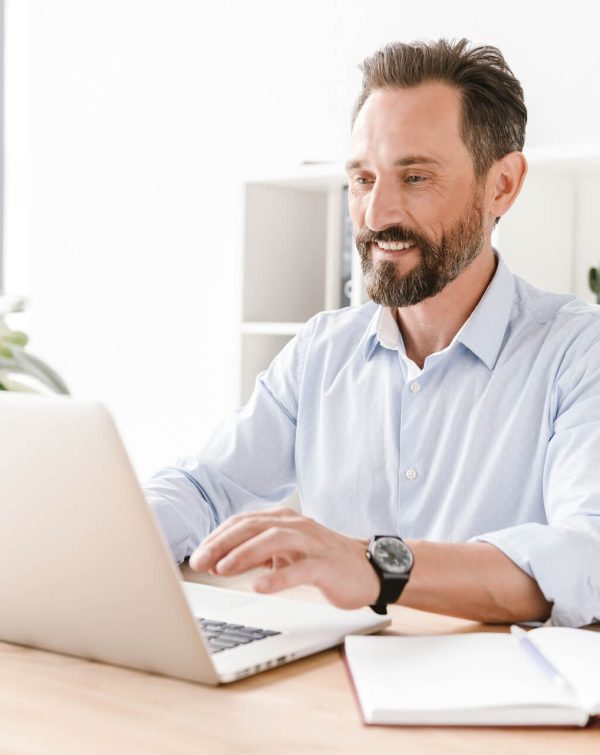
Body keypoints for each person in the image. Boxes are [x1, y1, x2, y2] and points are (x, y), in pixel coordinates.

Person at [143, 38, 600, 627]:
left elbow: (586, 558)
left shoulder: (577, 352)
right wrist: (108, 540)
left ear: (502, 185)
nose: (377, 214)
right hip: (334, 683)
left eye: (414, 177)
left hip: (502, 703)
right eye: (362, 179)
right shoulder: (321, 351)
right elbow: (205, 488)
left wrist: (376, 564)